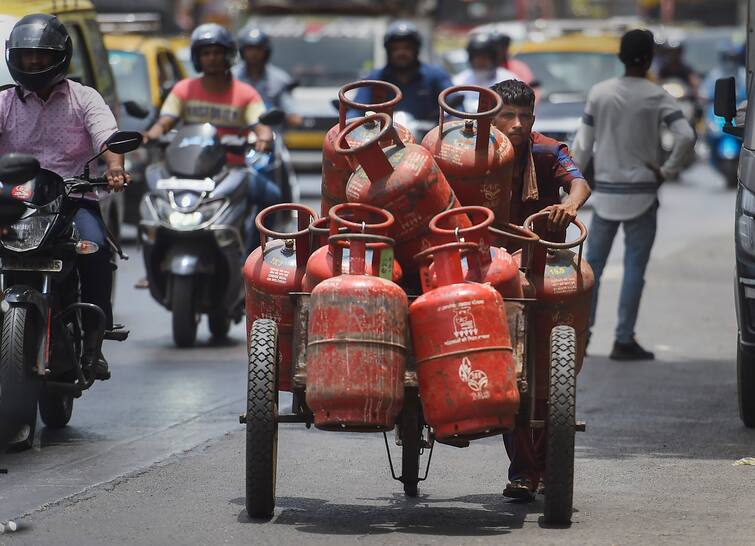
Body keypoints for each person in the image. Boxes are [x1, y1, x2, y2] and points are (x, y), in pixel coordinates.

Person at [0, 14, 130, 380]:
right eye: (28, 57)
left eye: (42, 56)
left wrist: (115, 168)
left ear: (60, 56)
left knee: (95, 250)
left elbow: (108, 136)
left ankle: (93, 340)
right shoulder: (4, 102)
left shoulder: (84, 98)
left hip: (72, 201)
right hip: (15, 204)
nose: (35, 63)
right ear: (15, 58)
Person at [487, 79, 591, 500]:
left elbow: (579, 182)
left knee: (545, 371)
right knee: (508, 364)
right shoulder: (471, 154)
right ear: (488, 118)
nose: (516, 124)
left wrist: (570, 205)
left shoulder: (547, 150)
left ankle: (540, 469)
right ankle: (525, 471)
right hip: (488, 266)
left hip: (539, 263)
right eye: (507, 116)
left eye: (524, 116)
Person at [572, 29, 695, 361]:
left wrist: (571, 182)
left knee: (591, 268)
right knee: (634, 268)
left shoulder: (599, 93)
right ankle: (623, 339)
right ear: (650, 58)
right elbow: (686, 136)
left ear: (620, 57)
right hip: (642, 192)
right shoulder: (656, 96)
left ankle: (583, 337)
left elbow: (582, 145)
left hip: (606, 195)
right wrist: (666, 171)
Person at [144, 23, 280, 252]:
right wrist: (151, 135)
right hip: (189, 172)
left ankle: (255, 257)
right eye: (206, 53)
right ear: (197, 58)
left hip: (232, 171)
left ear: (228, 55)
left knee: (273, 198)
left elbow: (261, 125)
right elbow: (164, 122)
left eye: (217, 52)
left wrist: (264, 139)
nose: (212, 58)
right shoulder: (183, 90)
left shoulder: (246, 93)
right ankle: (157, 260)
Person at [350, 21, 453, 122]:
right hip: (382, 137)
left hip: (427, 138)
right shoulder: (374, 78)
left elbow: (454, 106)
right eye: (395, 48)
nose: (401, 53)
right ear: (388, 51)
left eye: (407, 48)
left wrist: (451, 119)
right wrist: (351, 120)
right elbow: (356, 111)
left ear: (416, 50)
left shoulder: (436, 75)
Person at [233, 25, 302, 128]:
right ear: (243, 50)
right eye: (250, 48)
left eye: (258, 48)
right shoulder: (232, 77)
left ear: (266, 50)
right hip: (237, 135)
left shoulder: (280, 79)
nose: (254, 53)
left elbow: (290, 109)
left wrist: (292, 117)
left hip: (272, 136)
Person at [452, 33, 517, 113]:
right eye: (477, 57)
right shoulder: (459, 81)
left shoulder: (508, 79)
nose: (480, 61)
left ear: (493, 57)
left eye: (485, 57)